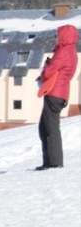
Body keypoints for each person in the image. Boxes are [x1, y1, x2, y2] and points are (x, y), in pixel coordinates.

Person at [37, 24, 78, 170]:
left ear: (64, 36)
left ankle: (54, 162)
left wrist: (45, 69)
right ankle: (50, 161)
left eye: (58, 35)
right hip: (61, 92)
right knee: (45, 126)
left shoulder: (63, 52)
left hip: (55, 92)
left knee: (50, 127)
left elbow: (48, 72)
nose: (56, 37)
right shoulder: (71, 51)